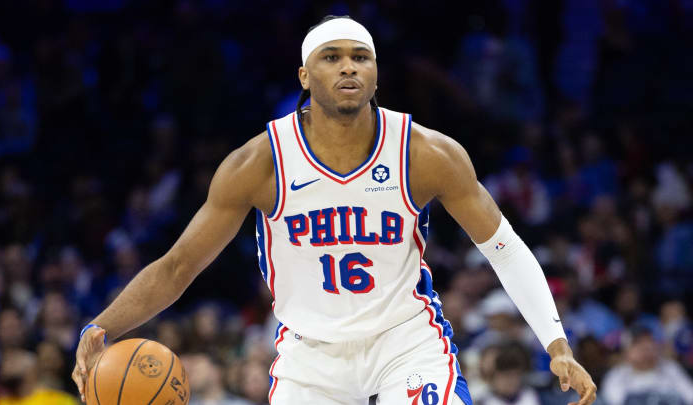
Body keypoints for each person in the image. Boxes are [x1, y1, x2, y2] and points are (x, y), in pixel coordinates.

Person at [72, 15, 596, 405]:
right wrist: (100, 328)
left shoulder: (425, 153)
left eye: (360, 56)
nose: (348, 65)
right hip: (310, 354)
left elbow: (503, 249)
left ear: (375, 74)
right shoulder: (258, 164)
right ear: (304, 76)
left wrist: (556, 344)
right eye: (331, 56)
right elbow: (178, 267)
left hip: (406, 341)